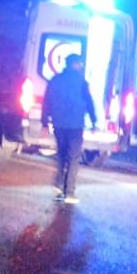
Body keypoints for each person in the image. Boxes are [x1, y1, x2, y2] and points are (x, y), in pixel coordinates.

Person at [42, 53, 97, 204]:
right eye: (80, 63)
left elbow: (47, 101)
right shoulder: (81, 82)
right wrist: (94, 121)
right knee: (73, 157)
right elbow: (89, 101)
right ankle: (70, 192)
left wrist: (44, 122)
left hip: (59, 123)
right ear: (76, 64)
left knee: (61, 154)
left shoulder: (55, 80)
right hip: (75, 125)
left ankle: (59, 185)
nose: (81, 66)